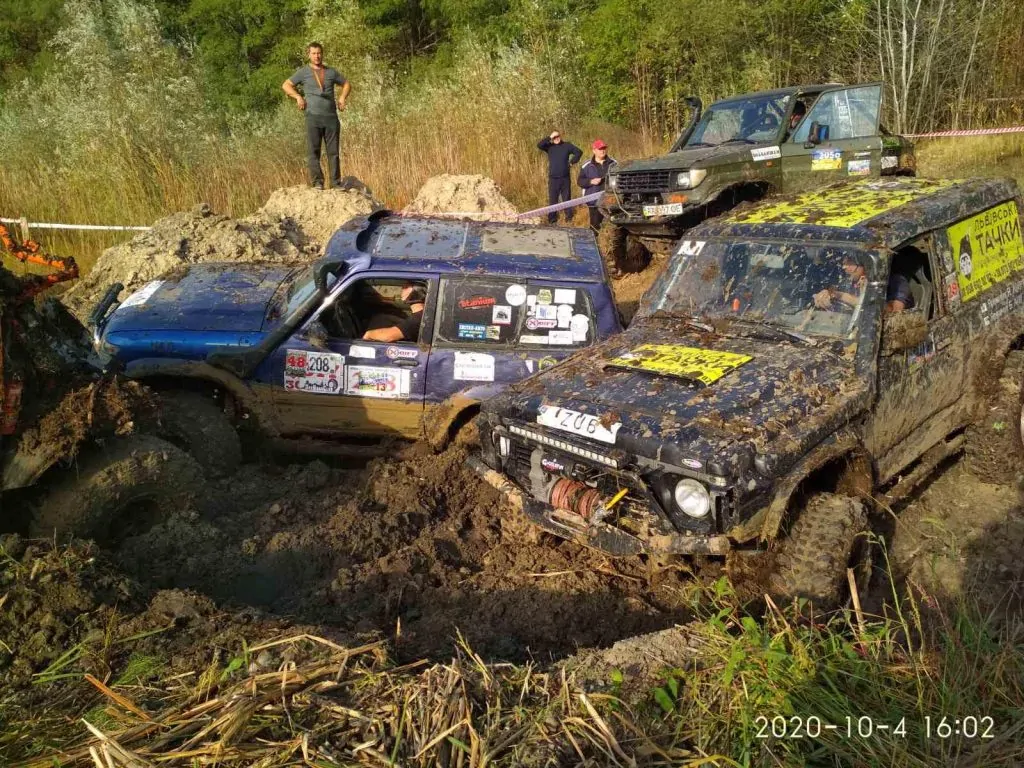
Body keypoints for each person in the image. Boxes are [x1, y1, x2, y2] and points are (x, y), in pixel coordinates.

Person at [282, 43, 351, 190]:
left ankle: (335, 183)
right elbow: (286, 85)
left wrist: (342, 98)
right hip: (313, 117)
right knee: (313, 152)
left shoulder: (331, 72)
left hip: (331, 117)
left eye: (319, 53)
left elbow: (346, 84)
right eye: (313, 53)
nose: (317, 56)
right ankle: (317, 183)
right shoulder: (303, 72)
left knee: (333, 152)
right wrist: (298, 97)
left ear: (322, 54)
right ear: (309, 55)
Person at [813, 254, 914, 313]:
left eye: (850, 263)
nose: (844, 267)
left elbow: (894, 313)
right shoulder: (848, 282)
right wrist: (827, 295)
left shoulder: (897, 283)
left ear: (866, 264)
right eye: (843, 263)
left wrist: (845, 297)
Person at [537, 130, 582, 224]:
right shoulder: (549, 147)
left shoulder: (567, 145)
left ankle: (569, 219)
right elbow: (539, 145)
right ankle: (552, 220)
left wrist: (572, 162)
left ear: (560, 136)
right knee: (553, 199)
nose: (556, 138)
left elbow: (579, 152)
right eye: (554, 137)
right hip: (553, 179)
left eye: (557, 136)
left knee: (566, 199)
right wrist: (550, 137)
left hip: (565, 178)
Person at [577, 139, 616, 231]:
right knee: (595, 228)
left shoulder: (614, 164)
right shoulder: (586, 165)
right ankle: (595, 244)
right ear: (594, 150)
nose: (603, 150)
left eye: (604, 148)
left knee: (613, 228)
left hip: (611, 202)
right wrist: (591, 181)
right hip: (594, 203)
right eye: (600, 149)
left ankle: (608, 244)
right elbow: (580, 181)